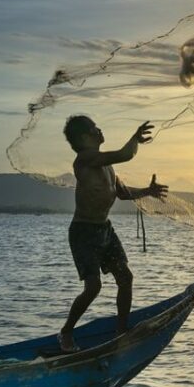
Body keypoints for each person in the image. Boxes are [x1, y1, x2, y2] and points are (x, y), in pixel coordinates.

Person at [57, 115, 168, 352]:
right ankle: (66, 332)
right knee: (93, 287)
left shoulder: (106, 165)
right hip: (84, 232)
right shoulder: (85, 160)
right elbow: (125, 154)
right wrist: (136, 138)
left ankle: (121, 331)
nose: (100, 129)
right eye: (95, 128)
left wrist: (148, 191)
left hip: (104, 230)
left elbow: (123, 193)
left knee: (125, 278)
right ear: (85, 137)